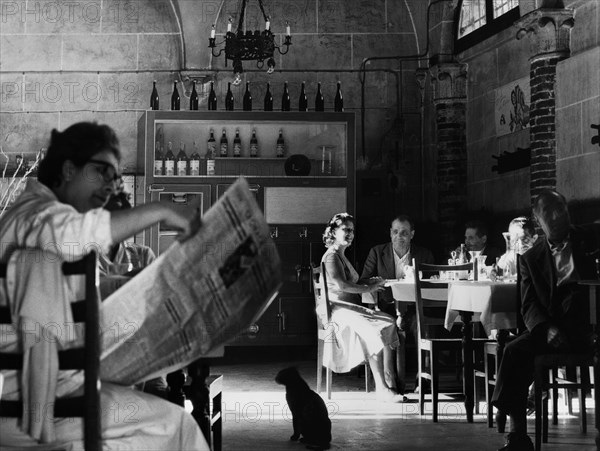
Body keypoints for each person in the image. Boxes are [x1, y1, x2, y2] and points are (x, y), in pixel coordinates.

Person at [0, 122, 208, 449]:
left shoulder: (30, 217)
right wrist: (162, 209)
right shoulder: (36, 215)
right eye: (102, 172)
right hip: (39, 406)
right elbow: (70, 234)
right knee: (177, 426)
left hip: (48, 394)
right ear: (69, 169)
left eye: (115, 177)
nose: (111, 186)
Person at [491, 190, 600, 451]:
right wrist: (546, 329)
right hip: (553, 327)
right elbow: (528, 305)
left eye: (561, 210)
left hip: (589, 326)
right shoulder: (530, 259)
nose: (558, 217)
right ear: (539, 222)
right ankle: (518, 436)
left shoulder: (591, 237)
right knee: (514, 350)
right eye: (550, 214)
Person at [320, 212, 404, 402]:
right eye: (345, 230)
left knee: (388, 321)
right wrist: (370, 287)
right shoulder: (332, 256)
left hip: (350, 308)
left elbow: (352, 280)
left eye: (352, 230)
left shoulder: (342, 255)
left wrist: (369, 280)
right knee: (375, 328)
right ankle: (382, 387)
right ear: (333, 232)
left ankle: (390, 379)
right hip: (338, 310)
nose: (350, 234)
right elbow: (342, 286)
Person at [360, 215, 434, 392]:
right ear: (390, 233)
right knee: (387, 324)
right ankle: (390, 379)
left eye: (404, 233)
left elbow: (432, 282)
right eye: (395, 232)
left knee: (423, 326)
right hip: (387, 306)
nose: (399, 236)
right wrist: (374, 282)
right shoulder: (377, 252)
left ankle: (423, 378)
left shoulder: (424, 254)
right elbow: (363, 280)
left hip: (416, 307)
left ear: (412, 234)